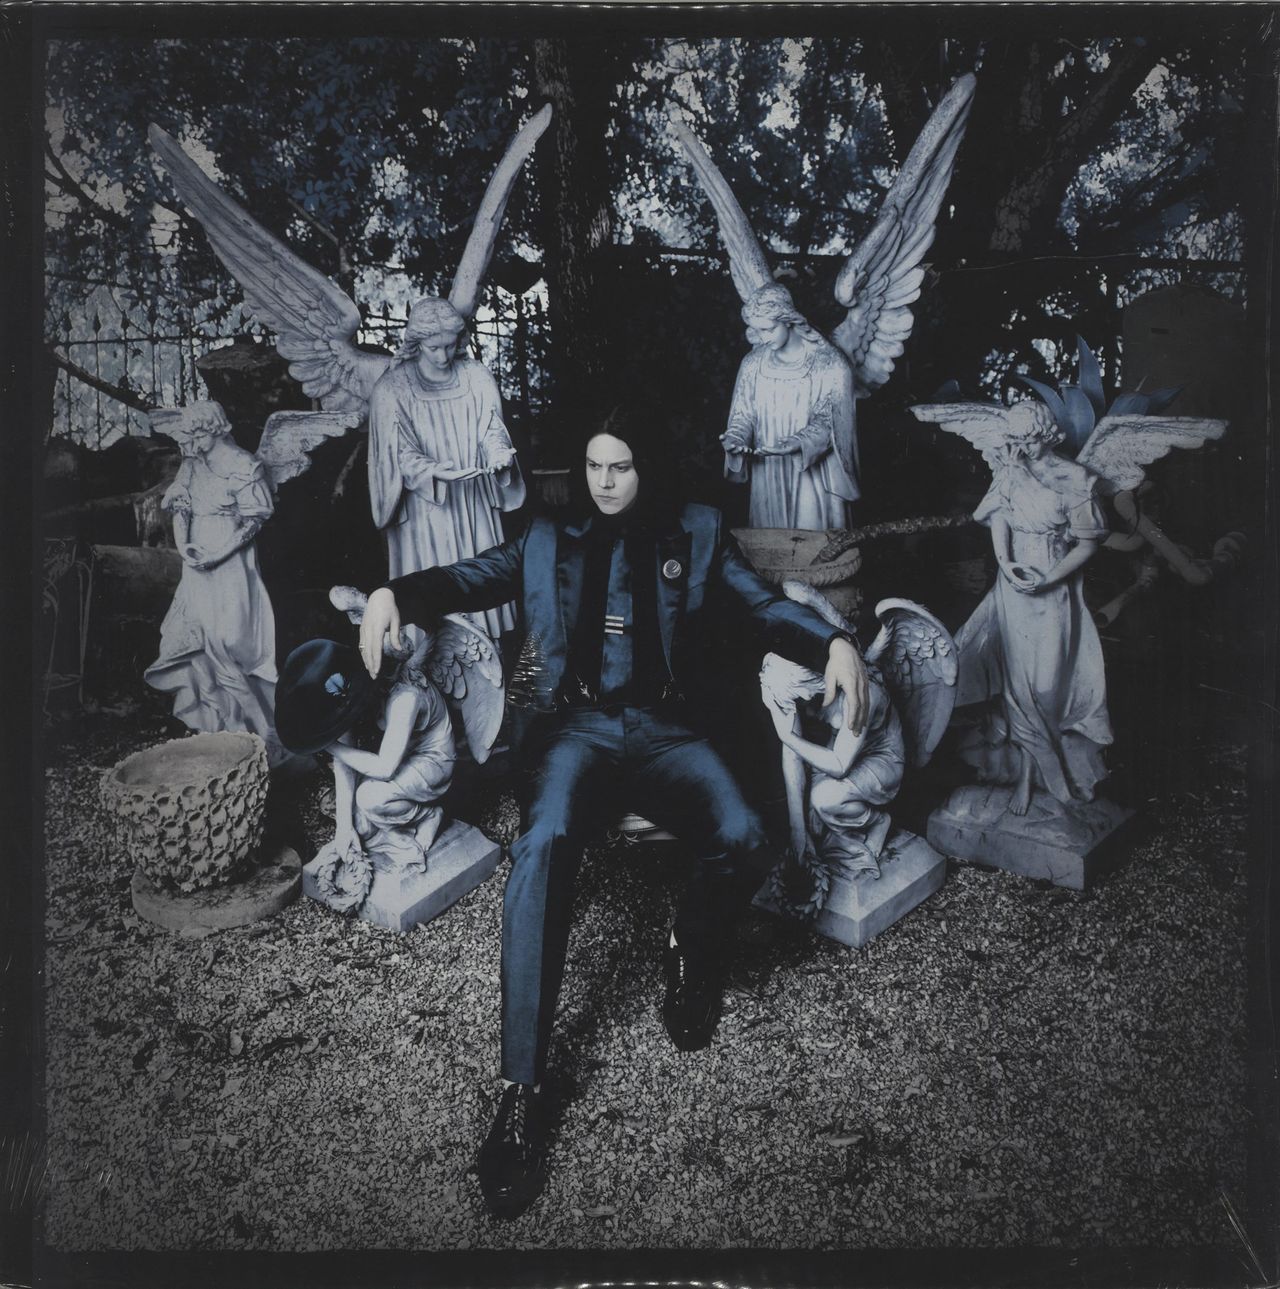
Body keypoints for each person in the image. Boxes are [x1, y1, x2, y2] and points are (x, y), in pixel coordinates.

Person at [356, 405, 870, 1219]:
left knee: (747, 835)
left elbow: (764, 606)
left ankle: (688, 945)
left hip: (667, 730)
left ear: (645, 467)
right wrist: (394, 592)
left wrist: (831, 642)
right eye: (593, 465)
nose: (604, 481)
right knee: (544, 842)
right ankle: (521, 1088)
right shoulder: (544, 538)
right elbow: (462, 578)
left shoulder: (697, 529)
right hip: (577, 731)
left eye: (620, 466)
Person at [956, 401, 1113, 815]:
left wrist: (1048, 579)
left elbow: (1088, 544)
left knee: (1045, 689)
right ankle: (1027, 776)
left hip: (1052, 589)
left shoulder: (1075, 478)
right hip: (1012, 587)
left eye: (1027, 440)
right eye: (1015, 440)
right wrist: (1005, 563)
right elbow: (995, 517)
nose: (1020, 449)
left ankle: (1053, 773)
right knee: (1014, 685)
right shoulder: (1012, 470)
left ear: (1045, 435)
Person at [366, 295, 526, 639]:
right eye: (434, 348)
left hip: (473, 502)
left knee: (483, 585)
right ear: (416, 343)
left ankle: (488, 655)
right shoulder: (393, 387)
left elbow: (491, 428)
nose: (443, 356)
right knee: (430, 600)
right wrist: (433, 472)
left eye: (450, 346)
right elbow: (395, 453)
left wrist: (499, 454)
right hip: (425, 510)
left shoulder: (476, 377)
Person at [144, 401, 283, 762]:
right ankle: (226, 729)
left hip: (231, 562)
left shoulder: (243, 465)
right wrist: (183, 547)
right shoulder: (193, 463)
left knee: (228, 643)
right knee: (200, 645)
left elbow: (253, 522)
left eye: (195, 436)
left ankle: (265, 729)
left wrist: (217, 554)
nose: (189, 445)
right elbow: (181, 507)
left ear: (213, 429)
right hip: (197, 563)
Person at [721, 283, 860, 530]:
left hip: (811, 475)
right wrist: (736, 438)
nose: (763, 338)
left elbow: (833, 422)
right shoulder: (752, 364)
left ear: (788, 319)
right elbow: (743, 414)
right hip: (768, 473)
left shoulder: (830, 364)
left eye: (768, 329)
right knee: (769, 540)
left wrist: (799, 442)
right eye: (757, 331)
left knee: (812, 540)